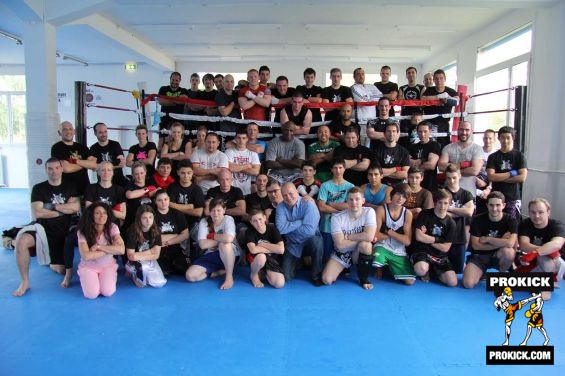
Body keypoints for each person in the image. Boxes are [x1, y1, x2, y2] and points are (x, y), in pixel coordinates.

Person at [12, 158, 80, 297]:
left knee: (61, 271)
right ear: (46, 170)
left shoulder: (71, 186)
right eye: (50, 168)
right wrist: (63, 209)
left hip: (63, 229)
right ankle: (25, 281)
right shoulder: (39, 188)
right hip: (42, 228)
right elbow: (37, 212)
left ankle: (51, 263)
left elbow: (76, 208)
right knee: (21, 241)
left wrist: (50, 206)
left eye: (56, 168)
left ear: (61, 169)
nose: (54, 171)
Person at [321, 187, 377, 289]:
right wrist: (362, 239)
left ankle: (363, 279)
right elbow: (340, 245)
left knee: (366, 245)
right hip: (342, 253)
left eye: (357, 199)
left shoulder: (369, 212)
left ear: (363, 201)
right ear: (347, 201)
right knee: (326, 280)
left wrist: (350, 237)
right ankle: (344, 268)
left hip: (358, 251)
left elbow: (369, 236)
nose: (354, 202)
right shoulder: (337, 217)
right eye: (350, 199)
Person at [463, 191, 517, 289]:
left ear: (504, 205)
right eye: (491, 205)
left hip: (499, 255)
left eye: (498, 205)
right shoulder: (478, 219)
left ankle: (501, 274)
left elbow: (510, 243)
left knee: (508, 252)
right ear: (487, 205)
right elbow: (476, 246)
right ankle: (481, 272)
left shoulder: (511, 220)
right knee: (468, 284)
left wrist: (488, 239)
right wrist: (501, 241)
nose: (494, 209)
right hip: (480, 256)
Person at [187, 198, 240, 290]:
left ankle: (229, 277)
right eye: (213, 210)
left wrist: (212, 236)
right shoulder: (204, 221)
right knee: (190, 276)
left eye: (218, 210)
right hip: (211, 254)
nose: (215, 213)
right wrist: (220, 240)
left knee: (225, 245)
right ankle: (217, 272)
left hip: (230, 254)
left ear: (224, 210)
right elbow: (202, 244)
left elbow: (229, 238)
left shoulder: (228, 219)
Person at [276, 182, 324, 285]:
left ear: (297, 192)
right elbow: (280, 229)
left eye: (291, 193)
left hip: (309, 241)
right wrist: (300, 222)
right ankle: (301, 261)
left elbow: (309, 231)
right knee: (286, 277)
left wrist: (289, 227)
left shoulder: (309, 204)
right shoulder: (280, 207)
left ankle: (316, 275)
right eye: (284, 195)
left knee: (317, 242)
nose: (288, 197)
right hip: (293, 245)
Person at [517, 198, 565, 300]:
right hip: (532, 262)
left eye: (541, 212)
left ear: (548, 212)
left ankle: (545, 287)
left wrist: (535, 253)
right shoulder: (525, 223)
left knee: (544, 257)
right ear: (529, 212)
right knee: (514, 281)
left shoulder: (556, 225)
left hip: (557, 264)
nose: (537, 216)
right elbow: (523, 244)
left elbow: (556, 245)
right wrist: (545, 250)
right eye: (533, 212)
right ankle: (546, 282)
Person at [76, 202, 125, 299]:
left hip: (108, 266)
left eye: (104, 212)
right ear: (91, 215)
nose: (102, 215)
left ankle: (100, 281)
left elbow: (121, 250)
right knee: (91, 295)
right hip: (88, 267)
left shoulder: (112, 227)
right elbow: (86, 256)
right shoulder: (82, 231)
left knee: (108, 292)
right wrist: (110, 249)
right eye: (97, 213)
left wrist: (98, 247)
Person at [410, 189, 458, 286]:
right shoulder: (425, 214)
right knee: (421, 270)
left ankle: (433, 271)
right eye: (440, 203)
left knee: (452, 282)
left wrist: (427, 238)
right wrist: (439, 240)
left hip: (439, 256)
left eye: (445, 203)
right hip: (422, 251)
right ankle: (424, 268)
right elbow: (418, 237)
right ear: (435, 203)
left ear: (449, 204)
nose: (442, 206)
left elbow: (446, 248)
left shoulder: (451, 223)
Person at [372, 183, 415, 285]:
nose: (400, 198)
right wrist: (396, 235)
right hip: (383, 245)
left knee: (410, 282)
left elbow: (407, 241)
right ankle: (380, 268)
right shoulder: (381, 209)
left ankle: (391, 266)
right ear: (392, 194)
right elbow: (375, 236)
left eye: (404, 196)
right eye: (398, 194)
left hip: (398, 249)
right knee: (376, 261)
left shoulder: (407, 214)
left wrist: (388, 231)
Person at [317, 158, 355, 260]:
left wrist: (329, 203)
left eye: (340, 168)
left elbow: (351, 206)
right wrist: (339, 210)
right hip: (326, 226)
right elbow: (321, 206)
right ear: (331, 169)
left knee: (343, 255)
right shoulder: (325, 185)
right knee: (326, 256)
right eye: (335, 168)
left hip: (344, 227)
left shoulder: (350, 186)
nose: (338, 171)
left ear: (344, 169)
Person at [486, 126, 528, 220]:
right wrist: (512, 173)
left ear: (513, 138)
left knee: (513, 225)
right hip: (496, 198)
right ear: (499, 138)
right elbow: (491, 177)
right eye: (503, 137)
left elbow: (522, 178)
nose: (505, 141)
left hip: (513, 198)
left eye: (508, 137)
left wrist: (500, 178)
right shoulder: (493, 157)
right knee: (496, 222)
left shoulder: (519, 156)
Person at [437, 121, 483, 198]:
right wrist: (462, 165)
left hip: (469, 191)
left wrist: (452, 171)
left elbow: (475, 170)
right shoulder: (448, 147)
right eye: (461, 129)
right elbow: (441, 166)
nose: (464, 132)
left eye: (467, 130)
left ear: (471, 131)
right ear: (457, 130)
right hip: (449, 192)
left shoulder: (477, 149)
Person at [125, 205, 167, 288]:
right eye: (144, 218)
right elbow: (131, 256)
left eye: (150, 217)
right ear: (139, 219)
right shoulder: (132, 230)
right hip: (135, 260)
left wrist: (139, 254)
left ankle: (141, 272)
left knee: (159, 283)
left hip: (148, 258)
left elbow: (156, 255)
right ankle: (131, 269)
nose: (148, 221)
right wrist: (151, 251)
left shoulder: (157, 230)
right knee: (141, 284)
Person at [443, 163, 474, 274]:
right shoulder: (442, 193)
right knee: (442, 268)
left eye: (454, 178)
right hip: (443, 236)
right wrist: (461, 212)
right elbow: (441, 212)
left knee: (459, 270)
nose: (451, 181)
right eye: (449, 178)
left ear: (460, 176)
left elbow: (469, 212)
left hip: (459, 237)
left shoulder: (466, 194)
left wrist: (449, 208)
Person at [51, 121, 95, 196]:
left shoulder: (82, 147)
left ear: (74, 131)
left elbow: (93, 165)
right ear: (59, 132)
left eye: (70, 129)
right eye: (64, 129)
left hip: (84, 188)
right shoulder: (57, 148)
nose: (68, 131)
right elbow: (66, 168)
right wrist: (86, 164)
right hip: (67, 190)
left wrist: (74, 162)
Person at [245, 209, 285, 288]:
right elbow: (253, 250)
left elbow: (281, 250)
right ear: (251, 222)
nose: (259, 223)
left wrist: (262, 244)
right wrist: (273, 249)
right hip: (255, 259)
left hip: (270, 260)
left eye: (260, 219)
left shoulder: (272, 229)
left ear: (264, 218)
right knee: (261, 257)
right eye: (255, 221)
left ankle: (264, 272)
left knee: (279, 284)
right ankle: (254, 274)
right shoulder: (249, 231)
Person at [154, 190, 190, 276]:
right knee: (163, 272)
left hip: (176, 249)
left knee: (182, 268)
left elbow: (185, 234)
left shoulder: (177, 214)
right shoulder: (152, 215)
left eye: (165, 199)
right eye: (160, 200)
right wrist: (176, 235)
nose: (163, 202)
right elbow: (154, 237)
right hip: (160, 251)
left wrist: (168, 242)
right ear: (155, 201)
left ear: (169, 199)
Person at [421, 69, 459, 148]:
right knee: (429, 145)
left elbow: (457, 101)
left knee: (444, 146)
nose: (439, 80)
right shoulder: (429, 90)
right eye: (436, 78)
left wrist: (447, 99)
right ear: (434, 80)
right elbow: (423, 99)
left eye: (441, 78)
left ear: (445, 79)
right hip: (429, 123)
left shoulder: (450, 91)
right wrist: (438, 97)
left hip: (443, 123)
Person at [167, 159, 205, 233]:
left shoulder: (197, 189)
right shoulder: (172, 187)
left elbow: (198, 212)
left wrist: (176, 207)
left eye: (189, 173)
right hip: (176, 221)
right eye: (183, 173)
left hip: (193, 223)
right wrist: (189, 206)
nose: (186, 176)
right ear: (178, 173)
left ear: (192, 173)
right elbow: (170, 206)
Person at [88, 122, 128, 187]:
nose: (104, 134)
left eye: (105, 131)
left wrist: (101, 167)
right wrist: (114, 165)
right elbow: (93, 167)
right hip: (103, 184)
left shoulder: (115, 144)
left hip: (119, 182)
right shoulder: (93, 148)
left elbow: (121, 164)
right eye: (100, 132)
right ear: (95, 133)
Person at [123, 162, 159, 231]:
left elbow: (158, 192)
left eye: (141, 173)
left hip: (151, 221)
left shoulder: (151, 182)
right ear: (133, 175)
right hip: (134, 220)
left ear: (145, 172)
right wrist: (148, 190)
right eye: (136, 174)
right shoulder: (130, 185)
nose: (139, 176)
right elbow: (130, 195)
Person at [373, 122, 411, 187]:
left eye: (394, 131)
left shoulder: (404, 152)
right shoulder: (376, 151)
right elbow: (376, 172)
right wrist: (396, 169)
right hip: (381, 186)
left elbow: (405, 174)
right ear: (384, 134)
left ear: (397, 134)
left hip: (399, 186)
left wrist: (383, 172)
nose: (391, 134)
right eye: (388, 131)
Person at [157, 72, 189, 149]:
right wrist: (177, 101)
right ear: (170, 79)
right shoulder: (163, 89)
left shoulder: (183, 90)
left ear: (180, 81)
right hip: (165, 118)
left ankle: (177, 154)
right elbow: (161, 101)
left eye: (177, 80)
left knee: (179, 138)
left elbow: (183, 101)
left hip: (178, 119)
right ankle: (161, 156)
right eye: (173, 79)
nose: (174, 82)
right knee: (163, 138)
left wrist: (168, 99)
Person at [225, 128, 261, 195]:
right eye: (239, 138)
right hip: (231, 191)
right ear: (235, 139)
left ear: (247, 139)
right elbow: (230, 168)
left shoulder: (253, 154)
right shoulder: (229, 152)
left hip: (247, 191)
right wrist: (247, 166)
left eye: (243, 138)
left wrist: (236, 167)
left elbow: (256, 172)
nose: (241, 141)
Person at [409, 120, 441, 191]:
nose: (422, 134)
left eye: (425, 131)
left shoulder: (434, 145)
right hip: (415, 185)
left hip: (430, 185)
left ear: (430, 131)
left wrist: (417, 163)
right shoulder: (412, 147)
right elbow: (408, 163)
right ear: (417, 132)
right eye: (420, 132)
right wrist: (424, 160)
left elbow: (431, 165)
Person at [398, 67, 425, 142]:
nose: (411, 74)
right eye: (409, 73)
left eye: (413, 72)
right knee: (404, 138)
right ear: (406, 75)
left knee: (418, 138)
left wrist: (407, 101)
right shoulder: (402, 88)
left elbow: (422, 102)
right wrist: (416, 101)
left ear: (416, 74)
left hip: (418, 117)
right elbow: (401, 101)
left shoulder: (421, 87)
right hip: (405, 117)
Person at [475, 129, 497, 215]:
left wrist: (489, 188)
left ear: (494, 139)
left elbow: (496, 174)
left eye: (490, 138)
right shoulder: (477, 151)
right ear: (483, 139)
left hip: (491, 184)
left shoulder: (496, 154)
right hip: (476, 182)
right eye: (485, 138)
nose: (487, 141)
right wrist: (476, 179)